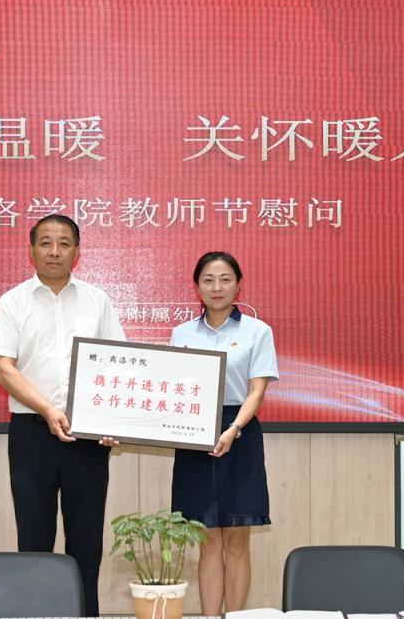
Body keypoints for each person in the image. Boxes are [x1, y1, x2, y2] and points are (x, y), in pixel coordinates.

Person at [0, 213, 125, 617]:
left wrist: (112, 422)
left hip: (87, 437)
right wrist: (47, 409)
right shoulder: (13, 302)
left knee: (86, 543)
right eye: (45, 242)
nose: (54, 251)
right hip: (31, 434)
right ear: (31, 250)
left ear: (77, 251)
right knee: (34, 538)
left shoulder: (97, 301)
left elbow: (118, 364)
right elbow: (2, 368)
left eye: (64, 243)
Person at [168, 251, 279, 615]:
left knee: (237, 541)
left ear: (238, 285)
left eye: (225, 279)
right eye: (208, 280)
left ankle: (236, 616)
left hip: (240, 433)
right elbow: (172, 389)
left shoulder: (257, 331)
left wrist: (233, 429)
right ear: (197, 286)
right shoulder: (181, 334)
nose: (217, 287)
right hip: (193, 433)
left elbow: (257, 392)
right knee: (207, 541)